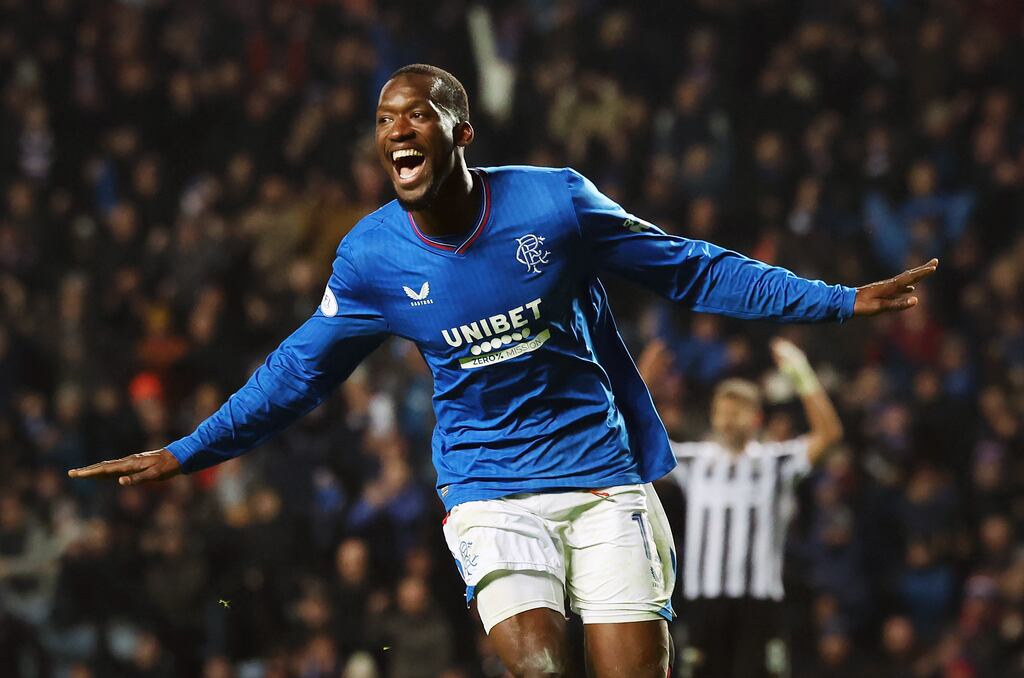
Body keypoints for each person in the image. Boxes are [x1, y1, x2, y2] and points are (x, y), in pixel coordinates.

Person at [69, 64, 937, 677]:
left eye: (416, 113)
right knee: (536, 665)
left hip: (603, 481)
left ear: (460, 132)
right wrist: (189, 452)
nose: (396, 129)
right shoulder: (370, 256)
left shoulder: (554, 203)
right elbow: (296, 372)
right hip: (488, 488)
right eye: (382, 118)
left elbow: (692, 267)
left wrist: (836, 301)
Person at [639, 338, 843, 678]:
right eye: (722, 411)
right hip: (705, 603)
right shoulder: (695, 460)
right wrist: (645, 378)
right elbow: (638, 437)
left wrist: (801, 375)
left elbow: (829, 433)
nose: (728, 419)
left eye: (737, 411)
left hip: (758, 605)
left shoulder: (777, 462)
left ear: (756, 416)